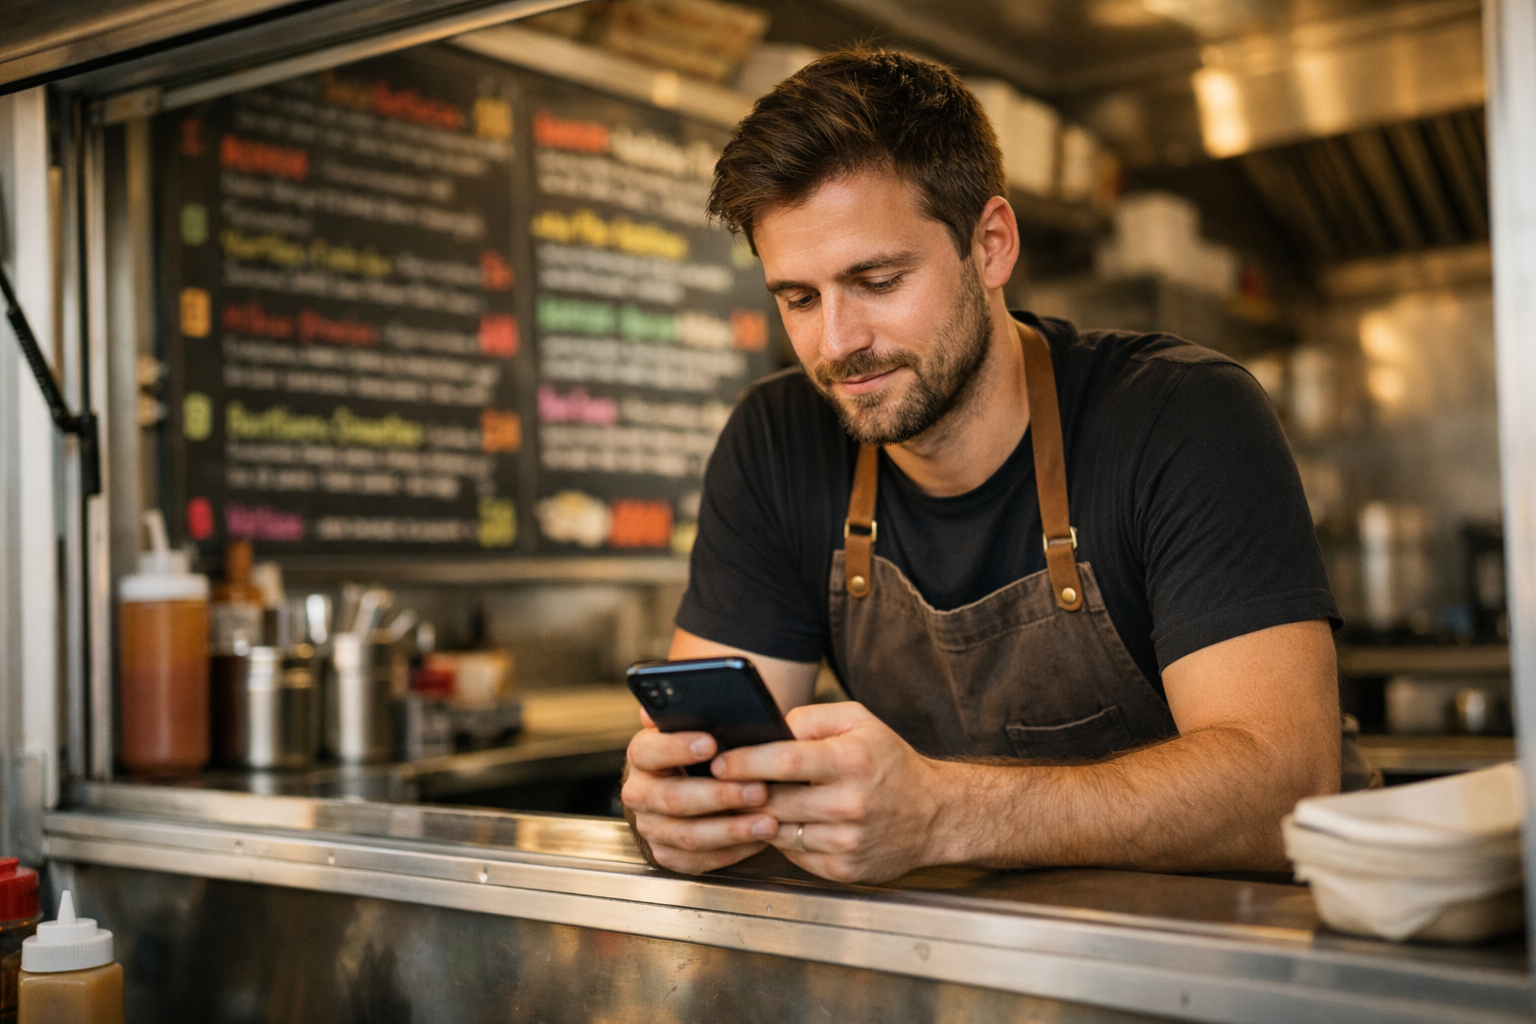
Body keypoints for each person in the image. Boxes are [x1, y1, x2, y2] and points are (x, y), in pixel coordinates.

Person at [623, 49, 1368, 885]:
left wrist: (944, 812)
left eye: (877, 279)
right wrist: (676, 804)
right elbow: (714, 754)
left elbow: (1283, 794)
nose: (836, 344)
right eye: (798, 298)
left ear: (991, 245)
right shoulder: (776, 442)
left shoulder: (1183, 416)